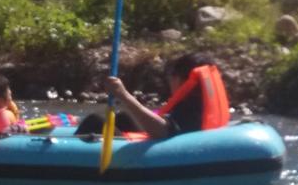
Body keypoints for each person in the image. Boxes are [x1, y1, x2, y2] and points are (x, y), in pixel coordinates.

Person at [87, 51, 231, 140]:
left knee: (94, 121)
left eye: (172, 76)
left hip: (168, 151)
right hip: (181, 143)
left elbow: (162, 131)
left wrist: (124, 96)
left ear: (181, 79)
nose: (170, 81)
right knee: (123, 118)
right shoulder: (202, 103)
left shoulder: (189, 107)